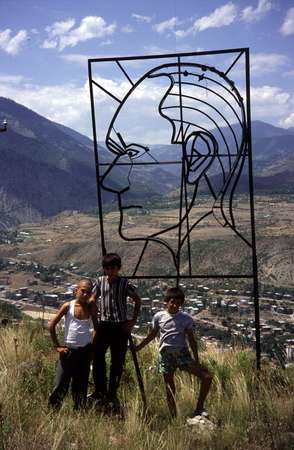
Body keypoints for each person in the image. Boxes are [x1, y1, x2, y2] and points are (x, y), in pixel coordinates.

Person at [135, 286, 212, 418]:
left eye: (178, 303)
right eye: (172, 302)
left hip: (182, 354)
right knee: (170, 389)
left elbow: (191, 339)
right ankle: (173, 417)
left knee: (207, 376)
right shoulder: (159, 316)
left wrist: (196, 358)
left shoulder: (186, 319)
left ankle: (199, 407)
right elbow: (152, 335)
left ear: (181, 304)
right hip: (166, 355)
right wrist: (138, 347)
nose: (175, 305)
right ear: (166, 301)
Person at [90, 253, 141, 405]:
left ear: (118, 268)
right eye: (107, 268)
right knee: (98, 358)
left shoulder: (124, 283)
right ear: (104, 269)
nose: (110, 271)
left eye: (113, 268)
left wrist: (132, 321)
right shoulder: (100, 282)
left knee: (117, 361)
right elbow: (93, 298)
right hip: (104, 325)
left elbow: (137, 300)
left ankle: (112, 392)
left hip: (120, 326)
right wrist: (95, 320)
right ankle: (100, 390)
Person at [48, 279, 98, 410]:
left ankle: (79, 413)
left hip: (85, 353)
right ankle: (53, 412)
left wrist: (92, 348)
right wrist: (57, 346)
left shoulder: (90, 308)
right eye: (83, 291)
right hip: (68, 352)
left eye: (89, 292)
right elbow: (51, 325)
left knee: (81, 386)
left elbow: (96, 328)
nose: (86, 294)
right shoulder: (68, 306)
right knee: (60, 384)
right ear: (77, 291)